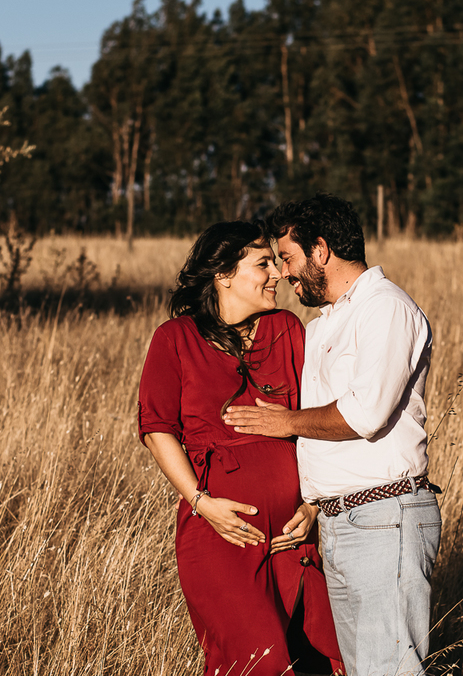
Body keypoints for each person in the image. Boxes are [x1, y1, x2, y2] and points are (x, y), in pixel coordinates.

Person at [225, 194, 439, 676]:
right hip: (343, 523)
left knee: (389, 669)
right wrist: (313, 504)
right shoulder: (325, 322)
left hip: (385, 517)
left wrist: (284, 422)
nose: (282, 273)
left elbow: (367, 413)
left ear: (320, 250)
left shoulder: (385, 308)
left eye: (288, 257)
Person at [138, 220, 344, 676]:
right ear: (223, 274)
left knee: (327, 656)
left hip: (294, 537)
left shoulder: (286, 330)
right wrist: (201, 503)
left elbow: (313, 423)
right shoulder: (175, 339)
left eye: (275, 261)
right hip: (222, 536)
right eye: (263, 263)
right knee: (258, 663)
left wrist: (312, 507)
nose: (277, 274)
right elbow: (157, 430)